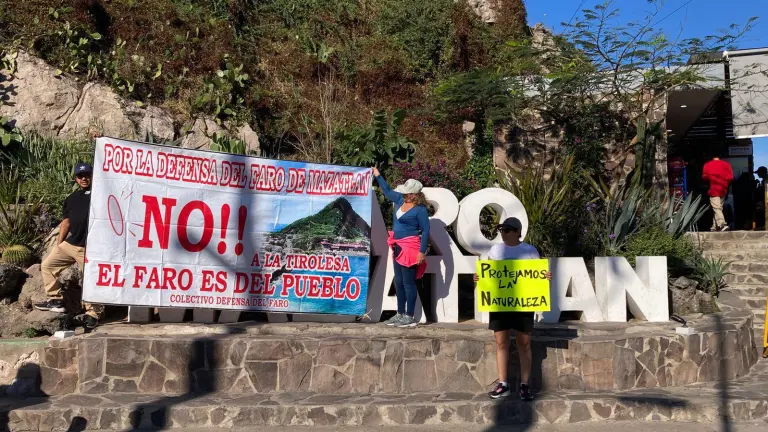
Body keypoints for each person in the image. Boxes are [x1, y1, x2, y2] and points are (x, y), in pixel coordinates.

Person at [474, 217, 551, 401]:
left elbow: (536, 276)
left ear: (518, 232)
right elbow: (489, 273)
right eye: (501, 229)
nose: (503, 233)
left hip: (523, 304)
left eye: (507, 229)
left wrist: (545, 276)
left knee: (524, 343)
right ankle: (504, 384)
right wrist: (479, 278)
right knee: (501, 342)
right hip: (500, 303)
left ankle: (524, 385)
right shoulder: (495, 250)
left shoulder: (530, 250)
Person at [34, 163, 102, 329]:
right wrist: (59, 244)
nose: (84, 178)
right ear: (76, 179)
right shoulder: (71, 199)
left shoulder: (101, 194)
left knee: (90, 280)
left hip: (90, 248)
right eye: (80, 176)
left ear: (93, 176)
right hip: (70, 244)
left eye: (87, 175)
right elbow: (66, 222)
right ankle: (56, 300)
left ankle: (93, 315)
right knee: (48, 266)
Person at [372, 167, 430, 328]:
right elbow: (387, 191)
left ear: (415, 195)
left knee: (408, 282)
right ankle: (400, 313)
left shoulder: (420, 210)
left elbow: (425, 231)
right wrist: (378, 174)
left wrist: (422, 252)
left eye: (407, 193)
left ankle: (409, 316)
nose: (404, 195)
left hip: (411, 247)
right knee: (398, 281)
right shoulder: (399, 200)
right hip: (397, 245)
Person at [702, 156, 734, 231]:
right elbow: (730, 177)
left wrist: (711, 178)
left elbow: (704, 177)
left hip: (713, 188)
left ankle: (722, 224)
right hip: (723, 189)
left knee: (716, 207)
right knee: (718, 208)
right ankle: (715, 226)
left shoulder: (707, 164)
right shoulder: (726, 164)